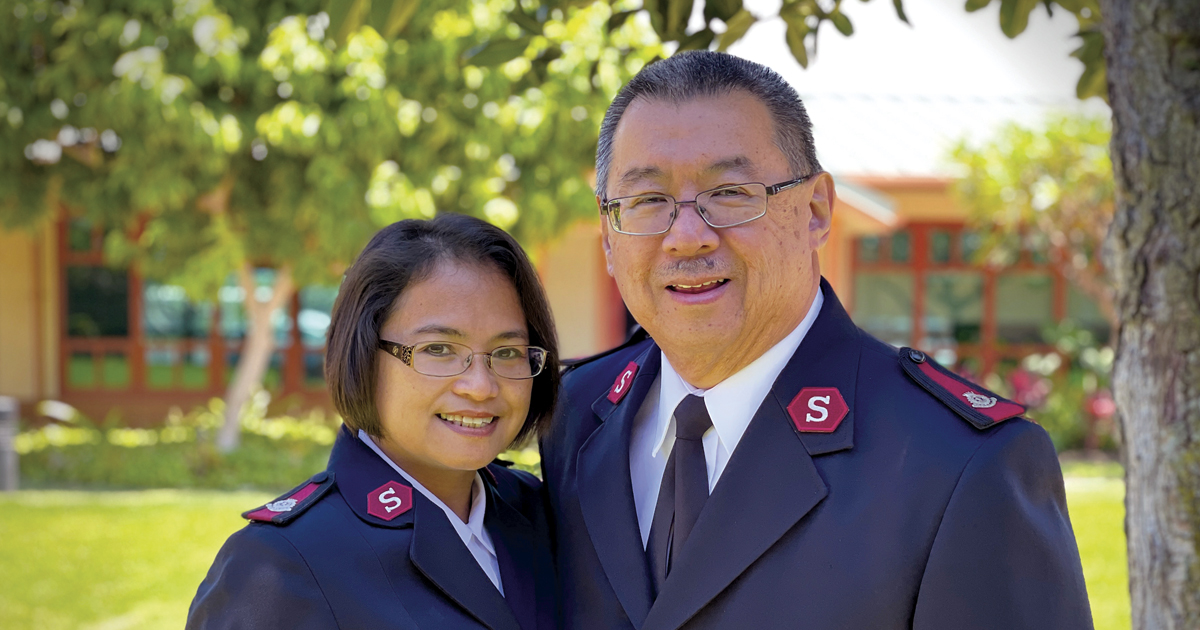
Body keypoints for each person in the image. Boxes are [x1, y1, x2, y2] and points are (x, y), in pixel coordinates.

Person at [540, 51, 1093, 630]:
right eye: (648, 201)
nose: (686, 237)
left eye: (729, 193)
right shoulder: (575, 414)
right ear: (608, 235)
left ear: (816, 210)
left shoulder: (961, 464)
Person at [188, 213, 560, 630]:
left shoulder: (543, 515)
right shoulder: (281, 563)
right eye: (438, 349)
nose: (480, 385)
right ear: (363, 352)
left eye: (507, 352)